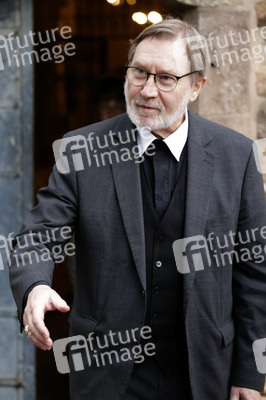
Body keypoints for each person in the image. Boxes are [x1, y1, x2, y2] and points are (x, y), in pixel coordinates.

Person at [9, 17, 266, 400]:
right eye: (139, 73)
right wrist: (36, 285)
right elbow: (38, 236)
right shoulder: (81, 150)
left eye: (165, 78)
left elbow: (254, 275)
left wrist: (249, 371)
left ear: (196, 86)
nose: (147, 90)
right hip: (108, 376)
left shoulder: (237, 154)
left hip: (204, 373)